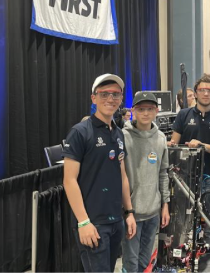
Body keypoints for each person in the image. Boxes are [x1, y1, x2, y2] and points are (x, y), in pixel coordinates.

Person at [62, 74, 137, 272]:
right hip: (93, 223)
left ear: (121, 99)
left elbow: (122, 176)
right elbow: (69, 181)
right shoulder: (79, 133)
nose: (110, 99)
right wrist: (83, 222)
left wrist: (129, 212)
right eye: (104, 94)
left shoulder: (118, 133)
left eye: (115, 94)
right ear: (93, 98)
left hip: (115, 221)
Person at [169, 74, 210, 247]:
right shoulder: (183, 115)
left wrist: (202, 145)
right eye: (202, 90)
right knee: (184, 216)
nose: (205, 93)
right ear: (195, 93)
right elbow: (175, 144)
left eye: (209, 90)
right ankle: (183, 249)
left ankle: (204, 248)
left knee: (208, 216)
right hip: (185, 176)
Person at [121, 92, 171, 273]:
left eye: (150, 109)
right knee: (130, 264)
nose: (145, 113)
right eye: (141, 109)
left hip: (153, 213)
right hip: (132, 213)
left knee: (144, 263)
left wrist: (165, 205)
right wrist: (127, 211)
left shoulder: (160, 138)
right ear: (133, 110)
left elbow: (163, 173)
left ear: (156, 111)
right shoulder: (123, 137)